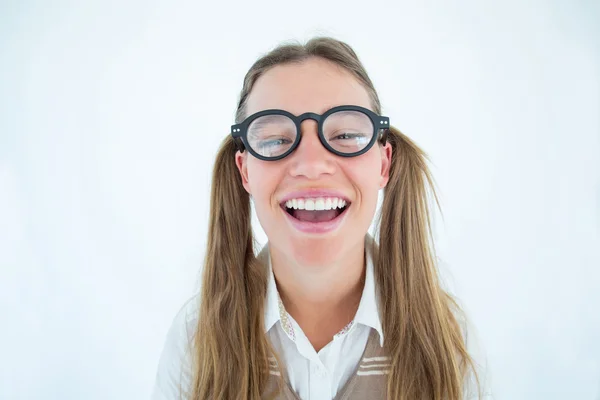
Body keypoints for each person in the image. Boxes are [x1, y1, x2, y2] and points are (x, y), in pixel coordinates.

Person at [151, 37, 486, 400]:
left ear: (383, 164)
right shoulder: (194, 339)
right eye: (276, 140)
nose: (311, 164)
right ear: (245, 171)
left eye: (345, 135)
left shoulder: (449, 339)